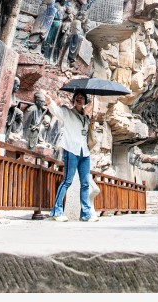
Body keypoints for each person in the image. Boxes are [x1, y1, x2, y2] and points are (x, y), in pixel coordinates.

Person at [47, 90, 97, 222]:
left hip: (84, 152)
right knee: (67, 181)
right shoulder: (67, 112)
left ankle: (85, 213)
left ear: (85, 101)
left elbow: (86, 134)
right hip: (71, 150)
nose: (79, 99)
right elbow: (56, 111)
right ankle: (57, 211)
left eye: (82, 97)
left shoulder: (86, 118)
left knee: (85, 184)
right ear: (73, 100)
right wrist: (49, 102)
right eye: (77, 97)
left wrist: (91, 123)